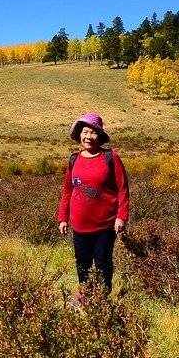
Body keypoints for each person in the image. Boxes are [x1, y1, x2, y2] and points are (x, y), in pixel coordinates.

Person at [58, 112, 130, 298]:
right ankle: (84, 296)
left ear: (100, 136)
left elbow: (123, 188)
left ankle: (103, 297)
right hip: (80, 225)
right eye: (84, 132)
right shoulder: (74, 160)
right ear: (79, 135)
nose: (88, 136)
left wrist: (121, 216)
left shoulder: (110, 157)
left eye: (93, 132)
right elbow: (68, 191)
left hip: (105, 224)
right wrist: (62, 218)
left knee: (102, 262)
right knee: (82, 262)